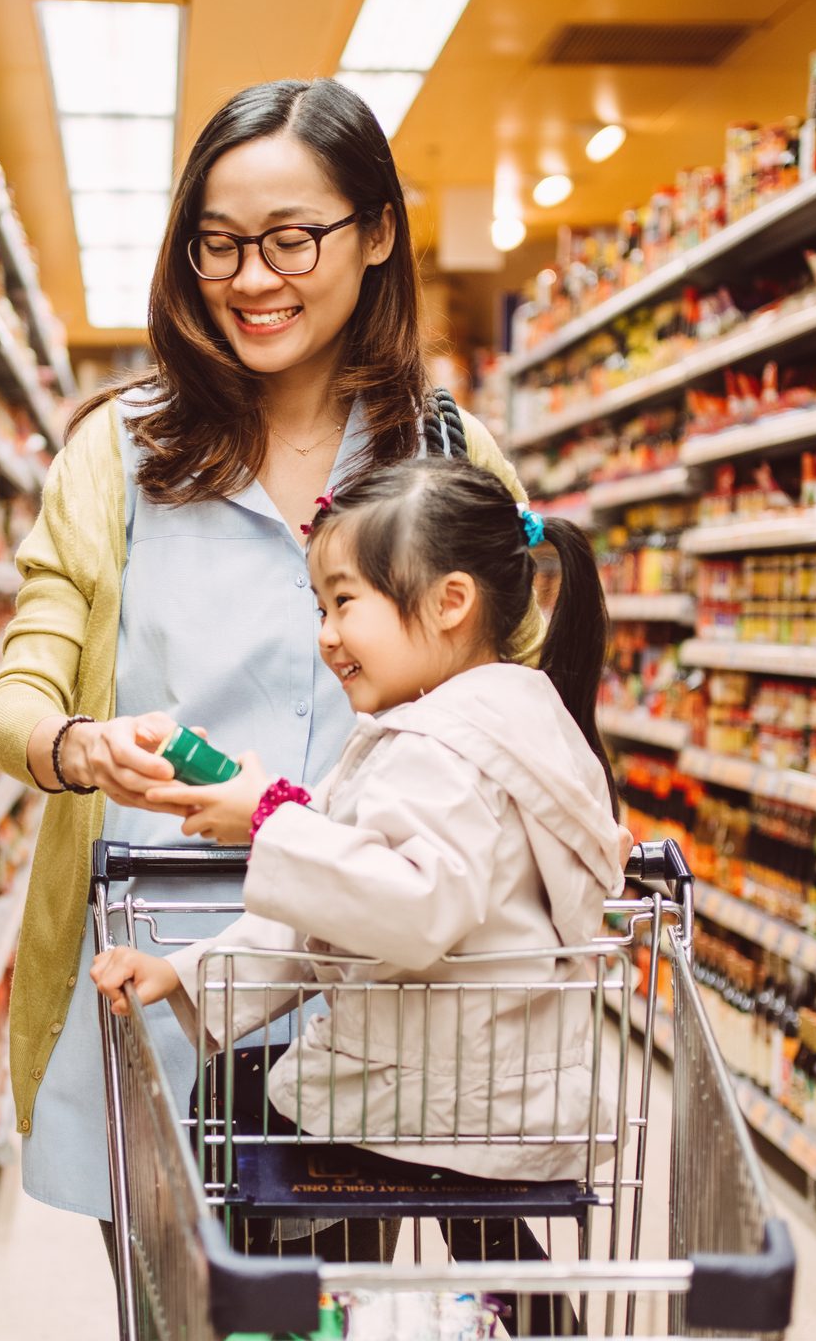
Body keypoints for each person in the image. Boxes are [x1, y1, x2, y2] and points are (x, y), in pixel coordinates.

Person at [0, 78, 541, 1243]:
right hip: (156, 963)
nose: (251, 278)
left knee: (345, 1296)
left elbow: (518, 706)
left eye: (291, 239)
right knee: (178, 1295)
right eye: (218, 244)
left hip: (379, 971)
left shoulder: (446, 456)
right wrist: (76, 746)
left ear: (376, 233)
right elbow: (17, 689)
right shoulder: (117, 453)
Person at [90, 458, 627, 1300]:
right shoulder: (507, 713)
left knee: (232, 1110)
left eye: (345, 603)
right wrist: (183, 972)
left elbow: (404, 909)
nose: (326, 633)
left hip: (442, 1093)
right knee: (484, 1229)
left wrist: (268, 820)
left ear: (450, 603)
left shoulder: (437, 751)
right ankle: (520, 1321)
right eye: (320, 607)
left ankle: (267, 1315)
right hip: (494, 1080)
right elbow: (336, 905)